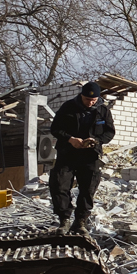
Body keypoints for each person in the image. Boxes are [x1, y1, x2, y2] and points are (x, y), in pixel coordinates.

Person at [49, 81, 115, 234]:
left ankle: (80, 222)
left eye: (93, 100)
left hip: (90, 155)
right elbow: (55, 129)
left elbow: (109, 132)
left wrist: (96, 140)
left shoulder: (103, 110)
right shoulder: (68, 107)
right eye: (87, 99)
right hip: (68, 153)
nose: (90, 103)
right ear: (81, 96)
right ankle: (64, 220)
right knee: (59, 184)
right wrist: (70, 139)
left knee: (88, 188)